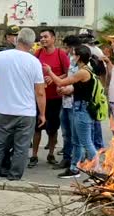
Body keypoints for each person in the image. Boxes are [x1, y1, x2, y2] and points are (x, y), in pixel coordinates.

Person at [0, 28, 46, 180]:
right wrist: (42, 113)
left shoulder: (0, 57)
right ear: (32, 44)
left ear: (18, 40)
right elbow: (40, 92)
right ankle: (14, 177)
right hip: (26, 114)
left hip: (4, 110)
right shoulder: (34, 62)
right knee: (21, 147)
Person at [44, 45, 97, 178]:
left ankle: (98, 171)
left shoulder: (83, 72)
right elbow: (74, 88)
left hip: (82, 110)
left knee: (86, 142)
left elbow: (61, 82)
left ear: (78, 57)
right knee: (76, 141)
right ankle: (74, 169)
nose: (71, 57)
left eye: (73, 55)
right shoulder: (83, 70)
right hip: (78, 107)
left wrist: (50, 72)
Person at [29, 29, 70, 168]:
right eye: (41, 37)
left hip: (55, 98)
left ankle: (51, 154)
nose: (43, 39)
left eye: (46, 37)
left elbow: (68, 73)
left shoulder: (61, 54)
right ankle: (34, 155)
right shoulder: (38, 53)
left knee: (52, 128)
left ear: (53, 38)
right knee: (37, 127)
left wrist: (53, 78)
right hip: (39, 97)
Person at [0, 24, 21, 174]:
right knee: (5, 133)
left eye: (17, 36)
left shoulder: (19, 52)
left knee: (12, 133)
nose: (15, 38)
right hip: (4, 97)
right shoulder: (2, 52)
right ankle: (2, 164)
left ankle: (5, 161)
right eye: (13, 36)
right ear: (7, 37)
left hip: (13, 97)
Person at [54, 35, 82, 170]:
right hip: (65, 102)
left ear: (72, 47)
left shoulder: (83, 62)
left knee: (75, 134)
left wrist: (68, 90)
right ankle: (66, 158)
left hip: (75, 104)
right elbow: (68, 76)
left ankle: (77, 161)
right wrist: (61, 86)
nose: (65, 50)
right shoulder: (70, 60)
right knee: (66, 133)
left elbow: (82, 83)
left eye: (66, 47)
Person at [79, 33, 105, 150]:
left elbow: (101, 73)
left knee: (94, 122)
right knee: (94, 122)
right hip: (92, 94)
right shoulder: (93, 54)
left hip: (93, 95)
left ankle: (98, 147)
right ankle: (96, 146)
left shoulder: (95, 54)